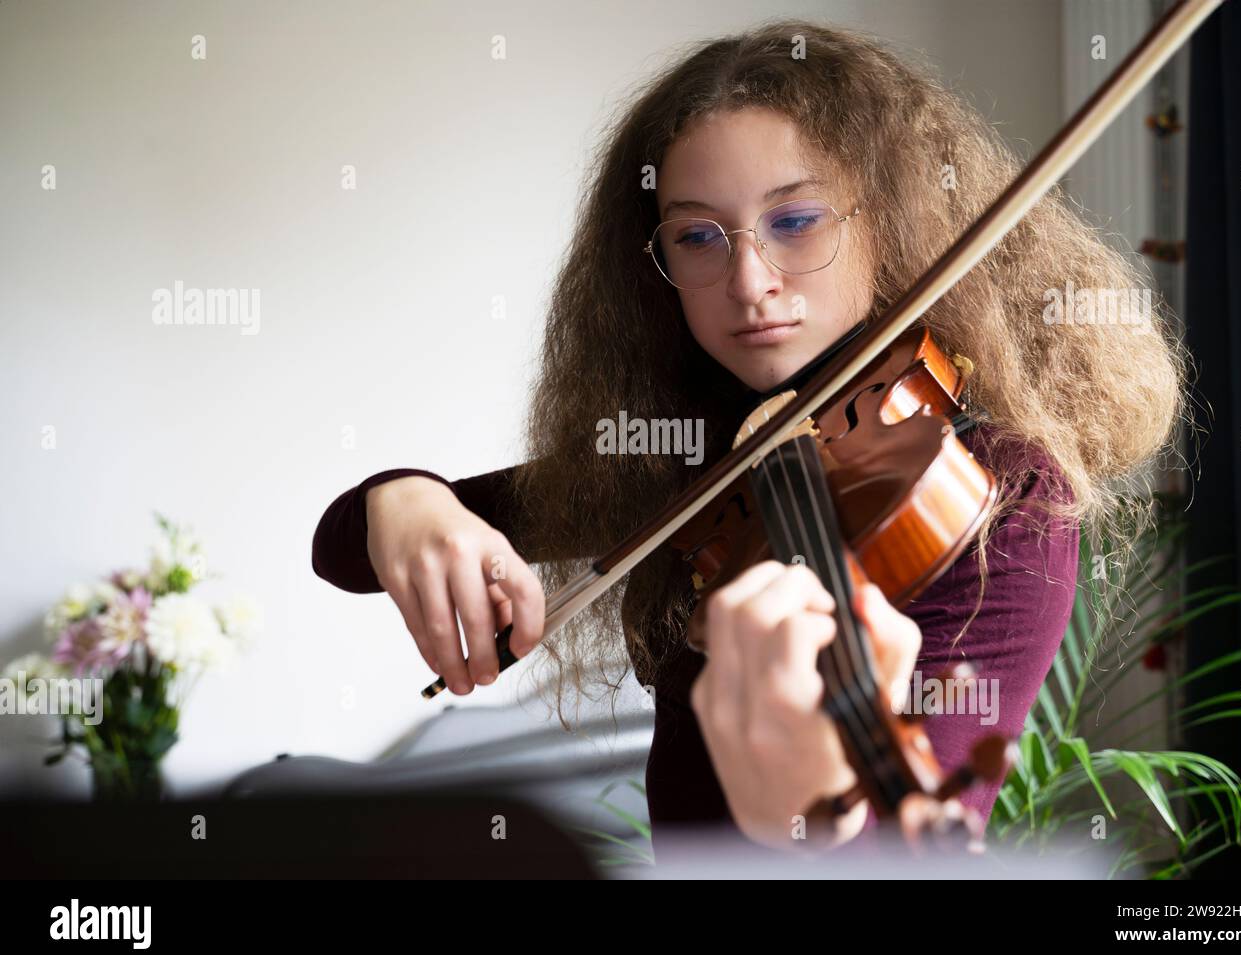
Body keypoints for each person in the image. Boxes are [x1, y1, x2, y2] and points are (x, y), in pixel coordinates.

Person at [312, 20, 1185, 855]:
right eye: (698, 236)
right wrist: (411, 504)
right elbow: (343, 547)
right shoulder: (692, 451)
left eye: (795, 221)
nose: (749, 280)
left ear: (887, 215)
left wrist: (802, 818)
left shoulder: (1001, 492)